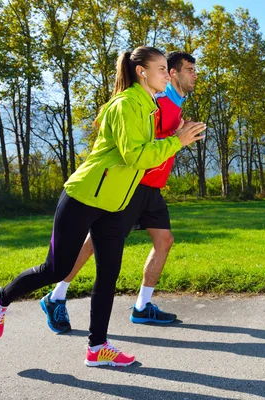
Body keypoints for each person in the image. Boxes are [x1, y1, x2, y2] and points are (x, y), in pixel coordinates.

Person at [0, 46, 206, 367]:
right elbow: (137, 157)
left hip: (116, 202)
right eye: (160, 69)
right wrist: (178, 140)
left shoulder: (148, 107)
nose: (165, 75)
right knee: (55, 268)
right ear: (142, 72)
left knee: (108, 274)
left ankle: (97, 346)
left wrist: (176, 135)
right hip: (85, 197)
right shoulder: (127, 104)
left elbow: (146, 154)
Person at [40, 52, 199, 333]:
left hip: (153, 189)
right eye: (188, 70)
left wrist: (181, 131)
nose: (194, 75)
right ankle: (57, 295)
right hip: (134, 184)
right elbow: (139, 145)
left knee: (164, 241)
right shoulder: (158, 101)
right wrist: (178, 137)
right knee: (94, 243)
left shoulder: (174, 104)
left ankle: (141, 307)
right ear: (173, 74)